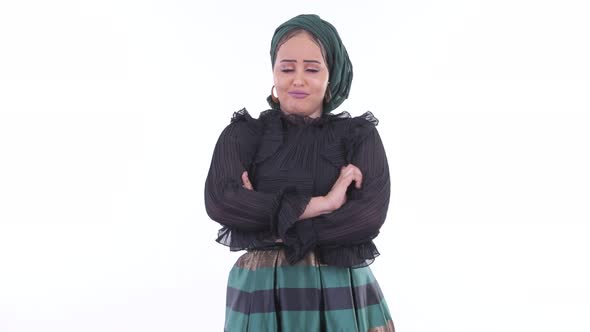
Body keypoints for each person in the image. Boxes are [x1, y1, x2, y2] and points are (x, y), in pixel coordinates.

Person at [205, 14, 394, 332]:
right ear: (274, 72)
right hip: (262, 288)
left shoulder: (358, 136)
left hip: (341, 284)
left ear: (331, 75)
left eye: (312, 69)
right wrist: (326, 204)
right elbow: (222, 203)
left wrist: (272, 224)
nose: (298, 80)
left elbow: (367, 217)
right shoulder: (243, 135)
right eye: (287, 68)